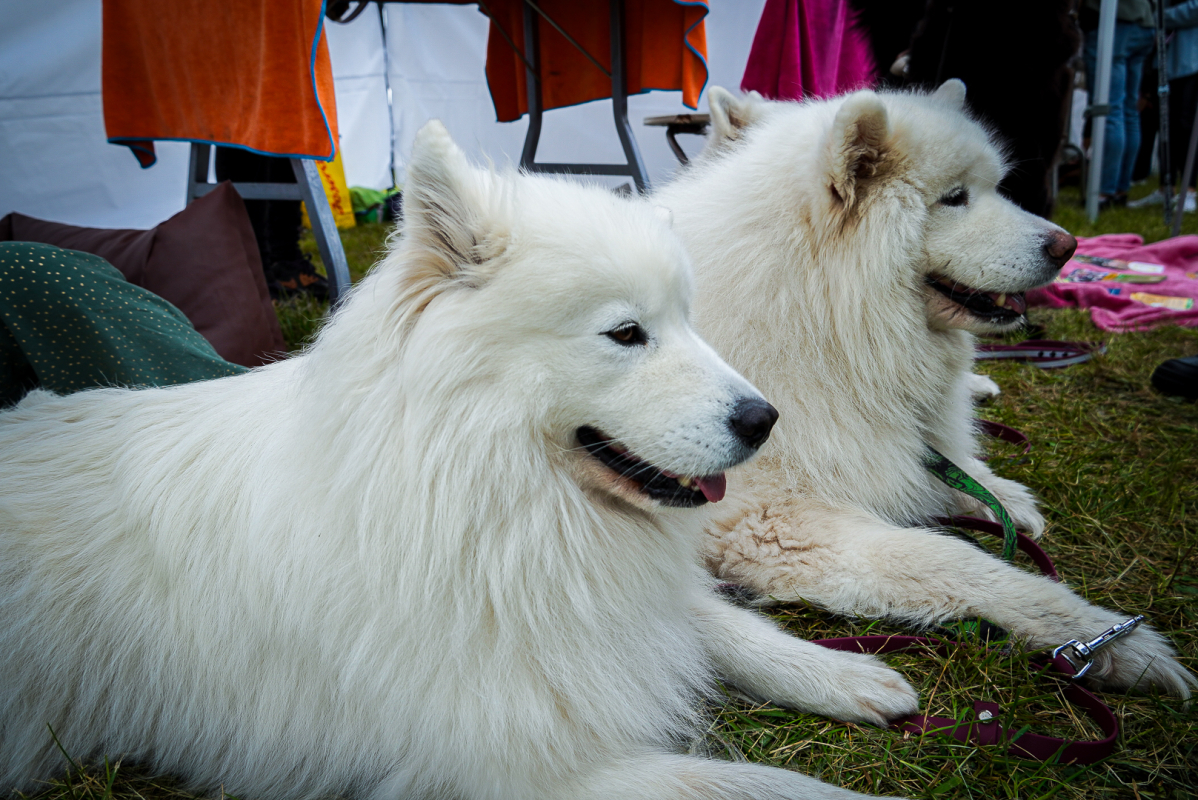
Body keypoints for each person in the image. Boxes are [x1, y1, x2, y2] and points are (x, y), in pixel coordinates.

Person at [1082, 0, 1158, 210]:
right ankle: (1119, 190)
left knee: (1110, 109)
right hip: (1144, 22)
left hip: (1116, 21)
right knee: (1128, 111)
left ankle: (1103, 193)